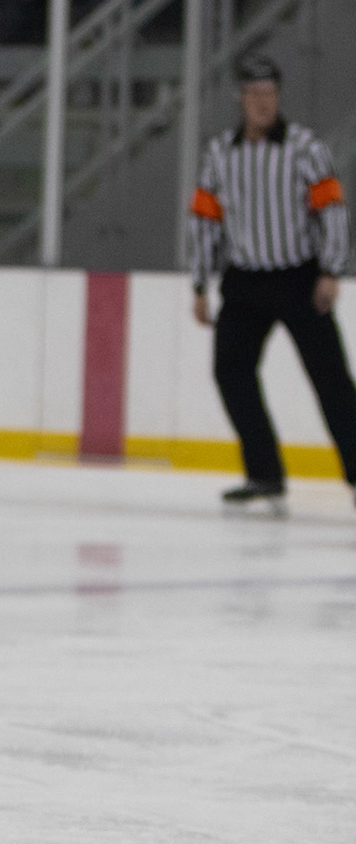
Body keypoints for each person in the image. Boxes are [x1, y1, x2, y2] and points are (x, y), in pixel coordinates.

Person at [189, 54, 354, 516]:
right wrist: (200, 282)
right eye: (255, 93)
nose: (264, 102)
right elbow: (205, 220)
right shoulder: (220, 153)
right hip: (244, 281)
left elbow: (332, 211)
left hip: (299, 277)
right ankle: (264, 473)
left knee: (331, 379)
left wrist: (330, 270)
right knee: (230, 371)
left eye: (271, 93)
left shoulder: (305, 148)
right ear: (240, 98)